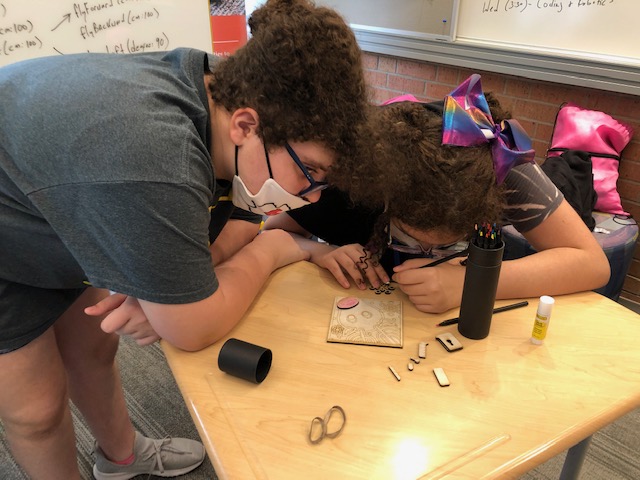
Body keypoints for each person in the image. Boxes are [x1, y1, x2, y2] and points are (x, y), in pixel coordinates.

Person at [0, 0, 369, 478]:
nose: (310, 195)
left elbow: (197, 236)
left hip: (56, 199)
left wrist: (160, 285)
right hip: (13, 231)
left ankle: (121, 459)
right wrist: (277, 248)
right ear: (245, 125)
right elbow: (192, 327)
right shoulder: (158, 158)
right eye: (310, 173)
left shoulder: (229, 91)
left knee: (93, 349)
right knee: (37, 410)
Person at [264, 74, 610, 314]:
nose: (428, 252)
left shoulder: (501, 164)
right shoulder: (354, 171)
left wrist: (470, 283)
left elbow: (592, 264)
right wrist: (317, 250)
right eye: (415, 238)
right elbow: (274, 231)